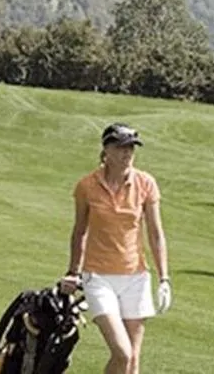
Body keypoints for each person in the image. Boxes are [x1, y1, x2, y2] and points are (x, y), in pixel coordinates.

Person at [60, 123, 170, 374]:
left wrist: (164, 278)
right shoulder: (86, 186)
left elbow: (155, 233)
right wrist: (73, 272)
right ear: (106, 150)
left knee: (132, 363)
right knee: (122, 352)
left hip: (136, 277)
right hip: (98, 278)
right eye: (121, 148)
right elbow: (80, 231)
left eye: (131, 148)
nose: (127, 153)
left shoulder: (145, 183)